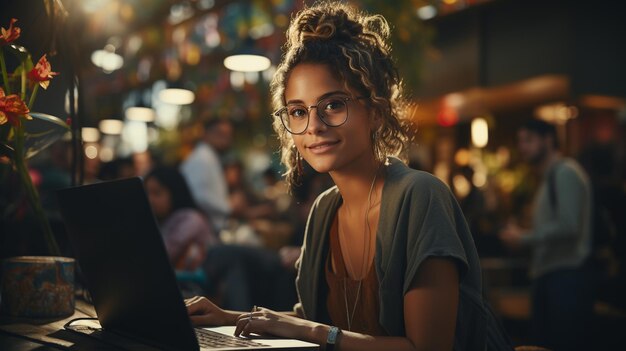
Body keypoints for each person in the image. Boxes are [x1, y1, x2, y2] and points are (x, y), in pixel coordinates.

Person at [185, 2, 512, 350]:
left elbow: (427, 347)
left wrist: (313, 333)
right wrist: (227, 318)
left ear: (375, 111)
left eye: (333, 105)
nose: (313, 127)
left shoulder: (419, 196)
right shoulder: (324, 211)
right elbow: (311, 317)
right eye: (298, 111)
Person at [499, 118, 594, 351]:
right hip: (551, 276)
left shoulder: (565, 172)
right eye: (520, 141)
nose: (523, 147)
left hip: (565, 278)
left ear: (548, 140)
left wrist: (524, 238)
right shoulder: (549, 178)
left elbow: (568, 225)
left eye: (529, 140)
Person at [144, 166, 219, 272]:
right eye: (147, 193)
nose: (150, 200)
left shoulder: (190, 219)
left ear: (174, 192)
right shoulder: (164, 219)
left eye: (157, 193)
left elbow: (162, 257)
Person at [180, 118, 233, 232]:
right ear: (207, 134)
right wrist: (228, 206)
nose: (226, 139)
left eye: (228, 135)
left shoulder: (208, 156)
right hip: (204, 229)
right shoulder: (201, 158)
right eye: (221, 134)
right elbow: (199, 195)